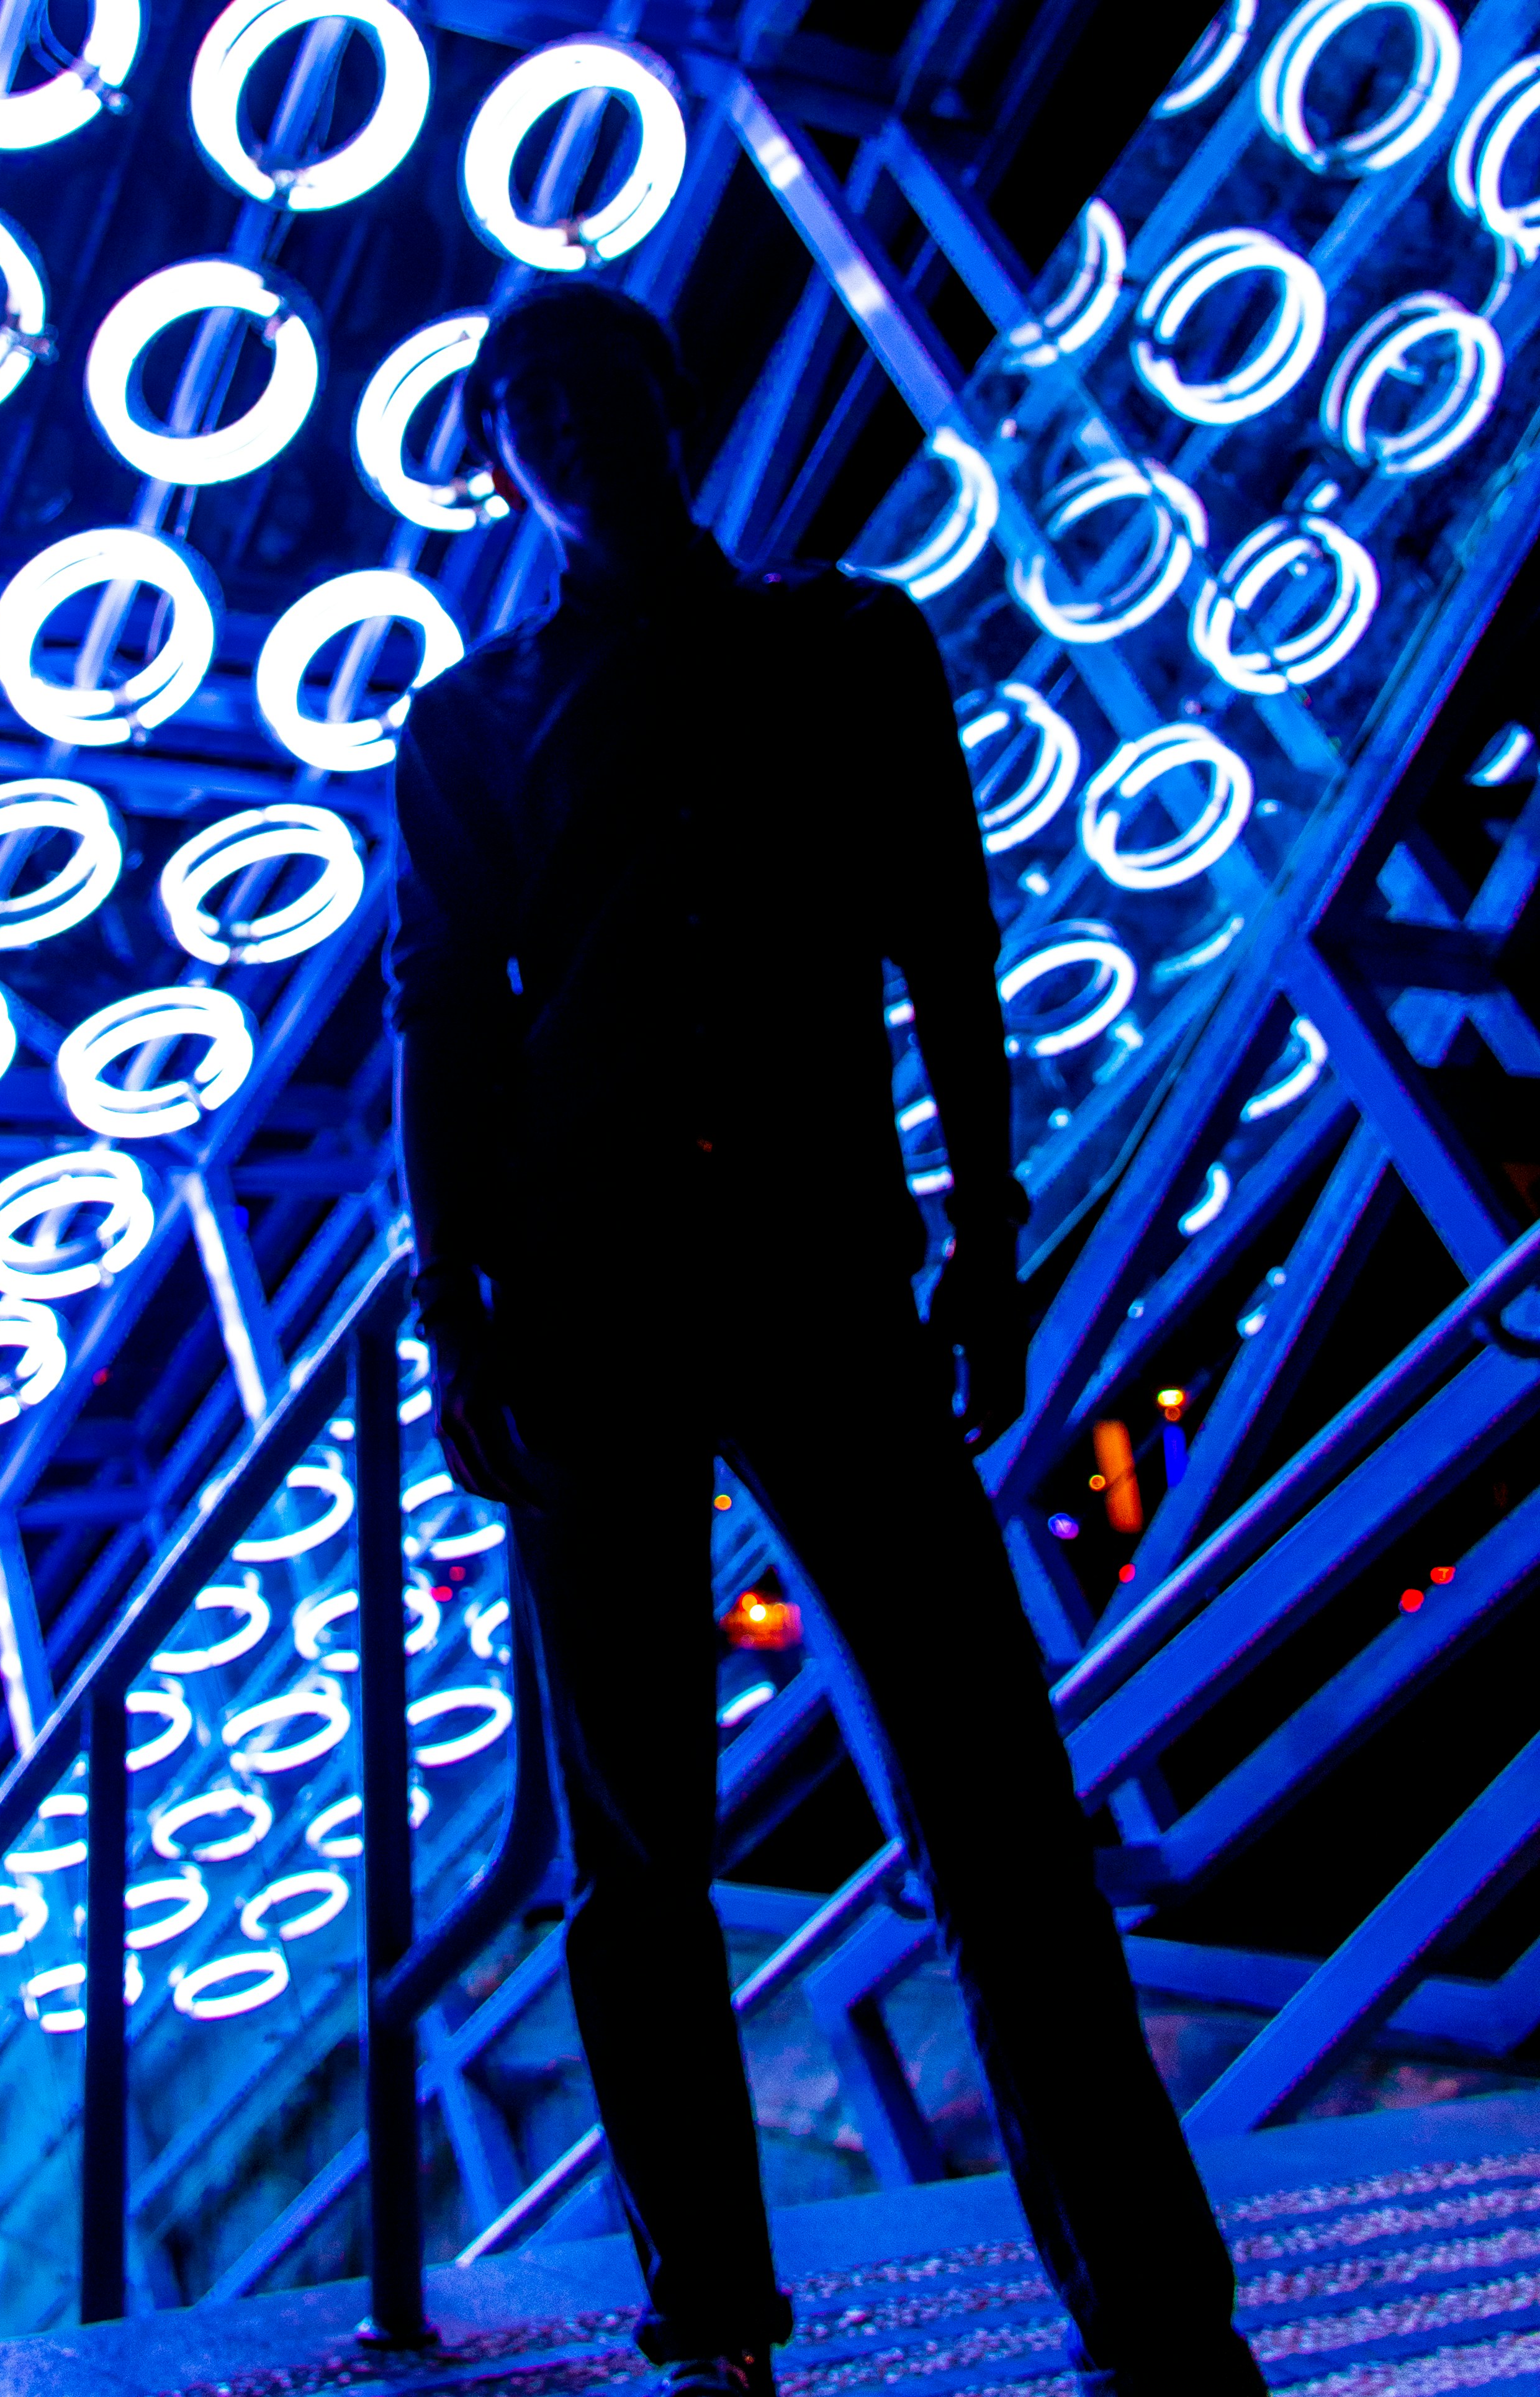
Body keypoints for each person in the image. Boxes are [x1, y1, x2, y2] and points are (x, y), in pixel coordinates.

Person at [385, 282, 1265, 2397]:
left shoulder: (848, 645)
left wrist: (993, 1226)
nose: (572, 429)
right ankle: (714, 2322)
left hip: (822, 1273)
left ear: (670, 409)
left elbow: (942, 937)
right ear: (500, 458)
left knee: (990, 1796)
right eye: (529, 410)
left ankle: (1151, 2310)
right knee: (637, 1852)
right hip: (592, 1300)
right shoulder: (470, 722)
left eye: (602, 389)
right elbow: (445, 1017)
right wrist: (455, 1303)